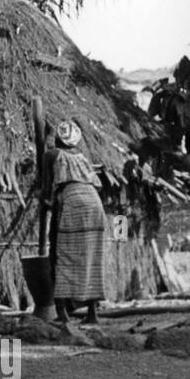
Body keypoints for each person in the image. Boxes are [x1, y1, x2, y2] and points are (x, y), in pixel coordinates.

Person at [47, 120, 107, 325]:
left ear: (57, 137)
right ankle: (92, 313)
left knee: (61, 255)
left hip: (72, 202)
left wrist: (45, 201)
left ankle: (61, 313)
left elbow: (46, 188)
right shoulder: (83, 158)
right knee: (91, 258)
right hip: (94, 205)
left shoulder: (52, 154)